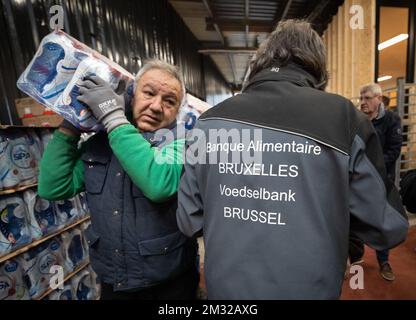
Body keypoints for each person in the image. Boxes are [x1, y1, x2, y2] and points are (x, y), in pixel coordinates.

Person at [176, 19, 408, 299]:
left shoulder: (208, 122)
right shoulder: (344, 119)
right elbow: (388, 227)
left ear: (260, 61)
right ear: (318, 68)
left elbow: (189, 221)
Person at [38, 59, 198, 300]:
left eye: (169, 101)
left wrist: (112, 115)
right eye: (149, 93)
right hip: (115, 282)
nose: (156, 106)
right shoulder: (100, 145)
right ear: (131, 95)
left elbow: (159, 184)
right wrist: (72, 122)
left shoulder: (182, 143)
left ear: (177, 112)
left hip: (169, 285)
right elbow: (54, 187)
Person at [349, 83, 403, 281]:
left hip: (381, 180)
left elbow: (394, 150)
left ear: (379, 99)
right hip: (356, 179)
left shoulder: (391, 120)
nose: (363, 102)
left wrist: (371, 166)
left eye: (367, 98)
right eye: (361, 99)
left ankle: (384, 261)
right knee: (352, 216)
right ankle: (355, 256)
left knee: (381, 221)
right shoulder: (356, 119)